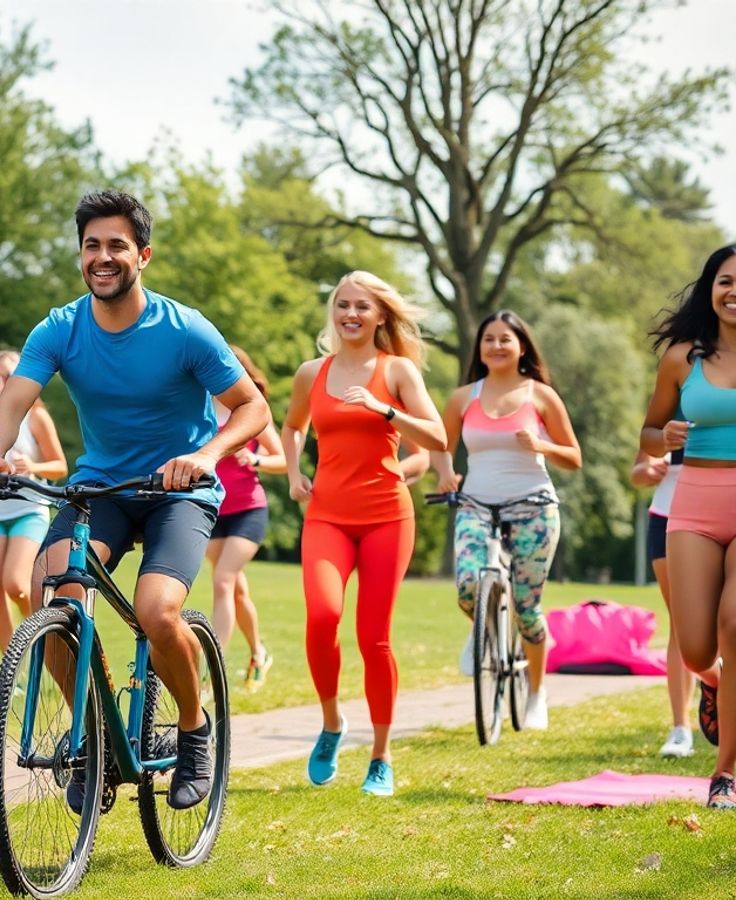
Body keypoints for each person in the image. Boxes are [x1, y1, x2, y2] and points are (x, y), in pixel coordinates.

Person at [0, 190, 270, 811]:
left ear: (143, 255)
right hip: (101, 489)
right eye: (91, 246)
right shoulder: (60, 328)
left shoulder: (183, 329)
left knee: (156, 610)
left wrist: (206, 455)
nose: (102, 257)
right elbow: (13, 402)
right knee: (50, 591)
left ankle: (194, 727)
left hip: (177, 492)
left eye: (116, 246)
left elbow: (253, 406)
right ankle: (97, 737)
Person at [282, 271, 446, 796]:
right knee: (322, 617)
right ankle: (332, 723)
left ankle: (381, 755)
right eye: (343, 305)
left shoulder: (397, 370)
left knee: (373, 637)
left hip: (386, 519)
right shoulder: (313, 372)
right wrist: (293, 472)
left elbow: (439, 436)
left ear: (380, 316)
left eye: (362, 306)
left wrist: (387, 410)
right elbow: (293, 426)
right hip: (327, 515)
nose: (350, 314)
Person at [432, 310, 581, 731]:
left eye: (505, 339)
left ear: (521, 347)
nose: (496, 346)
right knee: (468, 588)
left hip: (533, 507)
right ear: (479, 348)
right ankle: (484, 627)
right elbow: (440, 445)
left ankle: (536, 693)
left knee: (527, 608)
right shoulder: (463, 397)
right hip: (476, 505)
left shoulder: (541, 396)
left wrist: (542, 445)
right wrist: (445, 472)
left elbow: (574, 457)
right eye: (489, 339)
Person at [641, 244, 736, 809]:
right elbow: (649, 433)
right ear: (711, 289)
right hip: (694, 503)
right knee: (697, 649)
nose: (735, 291)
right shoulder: (683, 357)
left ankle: (725, 774)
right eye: (726, 281)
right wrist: (666, 437)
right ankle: (716, 680)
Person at [0, 350, 67, 653]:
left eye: (8, 376)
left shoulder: (36, 416)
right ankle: (12, 666)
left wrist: (32, 466)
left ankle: (40, 640)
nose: (0, 382)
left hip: (28, 508)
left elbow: (60, 466)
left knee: (16, 584)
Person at [205, 345, 286, 691]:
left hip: (248, 510)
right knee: (235, 590)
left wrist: (256, 460)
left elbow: (282, 459)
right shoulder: (201, 407)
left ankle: (214, 670)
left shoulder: (250, 408)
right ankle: (258, 652)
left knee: (223, 581)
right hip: (213, 509)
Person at [631, 444, 695, 757]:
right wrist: (648, 471)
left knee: (723, 623)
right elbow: (638, 471)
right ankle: (681, 728)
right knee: (682, 624)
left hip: (721, 514)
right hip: (667, 515)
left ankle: (715, 685)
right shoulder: (667, 415)